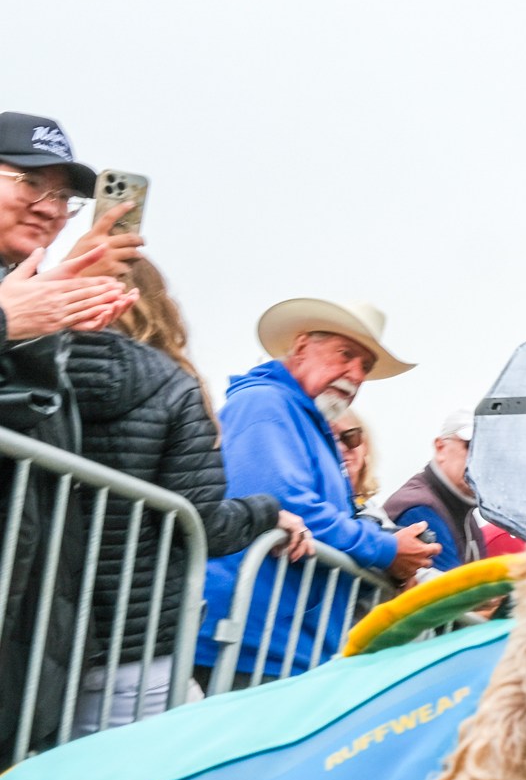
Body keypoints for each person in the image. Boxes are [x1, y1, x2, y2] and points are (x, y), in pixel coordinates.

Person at [65, 257, 313, 733]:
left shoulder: (28, 362)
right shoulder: (173, 387)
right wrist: (268, 511)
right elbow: (200, 524)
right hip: (132, 643)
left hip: (37, 637)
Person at [193, 298, 439, 686]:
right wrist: (387, 550)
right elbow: (283, 501)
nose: (356, 374)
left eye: (366, 366)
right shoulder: (266, 403)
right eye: (346, 354)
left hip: (276, 643)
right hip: (251, 641)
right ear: (302, 346)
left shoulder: (295, 415)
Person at [0, 111, 136, 760]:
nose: (50, 207)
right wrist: (5, 321)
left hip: (26, 613)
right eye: (29, 183)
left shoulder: (29, 294)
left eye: (62, 194)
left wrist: (45, 322)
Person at [383, 408, 485, 573]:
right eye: (470, 446)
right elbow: (452, 594)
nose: (479, 458)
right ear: (440, 447)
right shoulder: (419, 508)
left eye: (488, 452)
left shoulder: (467, 516)